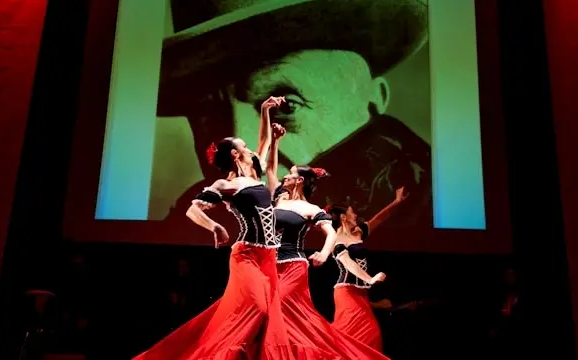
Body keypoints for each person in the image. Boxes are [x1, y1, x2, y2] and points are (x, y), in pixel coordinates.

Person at [159, 0, 431, 238]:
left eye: (287, 107)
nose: (245, 151)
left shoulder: (429, 203)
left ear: (372, 100)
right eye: (208, 115)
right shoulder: (194, 215)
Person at [133, 97, 297, 359]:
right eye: (244, 145)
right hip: (247, 256)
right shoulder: (225, 185)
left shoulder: (254, 173)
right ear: (235, 153)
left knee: (268, 321)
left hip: (270, 257)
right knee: (258, 309)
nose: (250, 147)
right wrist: (215, 226)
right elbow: (192, 209)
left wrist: (266, 109)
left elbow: (265, 143)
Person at [265, 123, 391, 359]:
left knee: (280, 308)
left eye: (291, 173)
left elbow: (331, 234)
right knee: (269, 313)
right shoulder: (279, 199)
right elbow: (270, 170)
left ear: (300, 180)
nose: (286, 176)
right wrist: (276, 141)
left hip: (293, 264)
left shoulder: (310, 208)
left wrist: (323, 253)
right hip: (269, 263)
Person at [327, 188, 408, 351]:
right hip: (346, 292)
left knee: (371, 335)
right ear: (344, 217)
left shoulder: (358, 233)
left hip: (361, 294)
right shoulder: (336, 240)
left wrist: (396, 202)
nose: (355, 215)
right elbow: (349, 263)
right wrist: (370, 279)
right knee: (349, 336)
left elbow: (379, 218)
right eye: (352, 213)